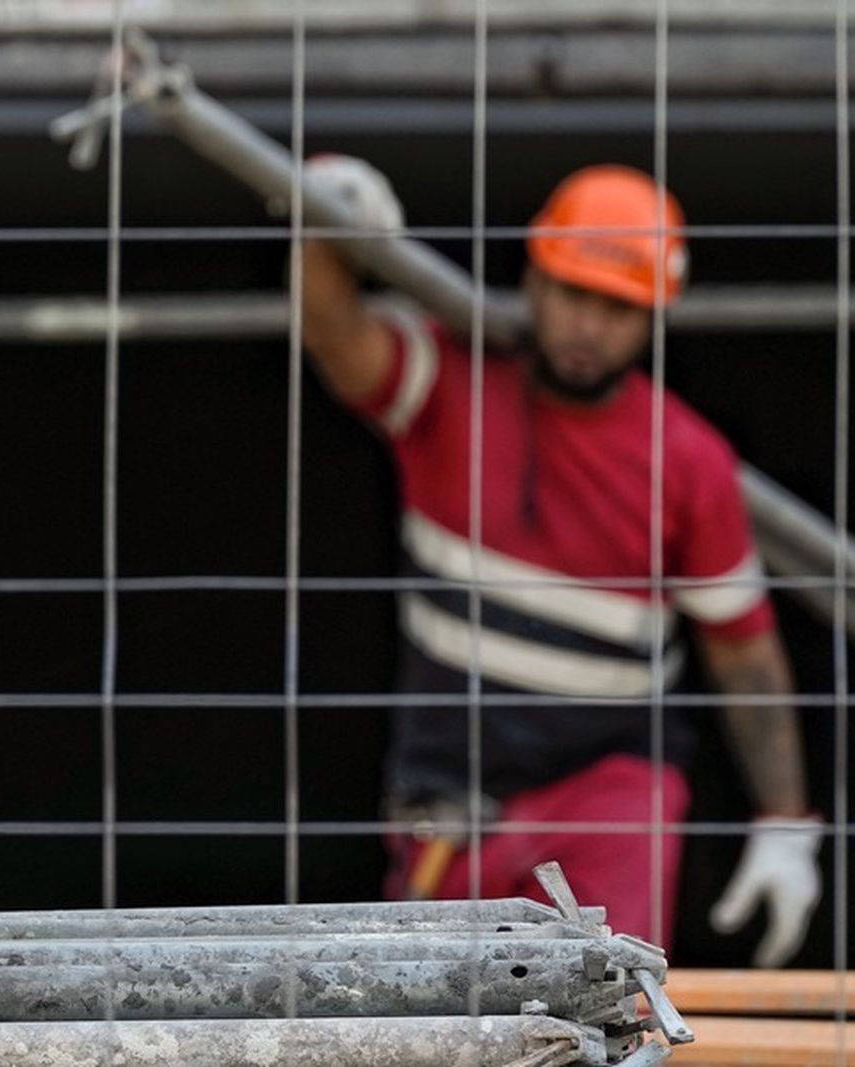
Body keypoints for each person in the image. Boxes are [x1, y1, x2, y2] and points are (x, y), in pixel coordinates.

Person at [299, 158, 821, 965]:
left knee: (600, 1012)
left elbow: (742, 651)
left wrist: (787, 825)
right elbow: (339, 339)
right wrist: (324, 226)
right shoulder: (449, 385)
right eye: (574, 293)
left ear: (653, 317)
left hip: (605, 791)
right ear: (534, 283)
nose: (589, 326)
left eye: (619, 307)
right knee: (435, 1028)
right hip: (448, 800)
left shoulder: (688, 461)